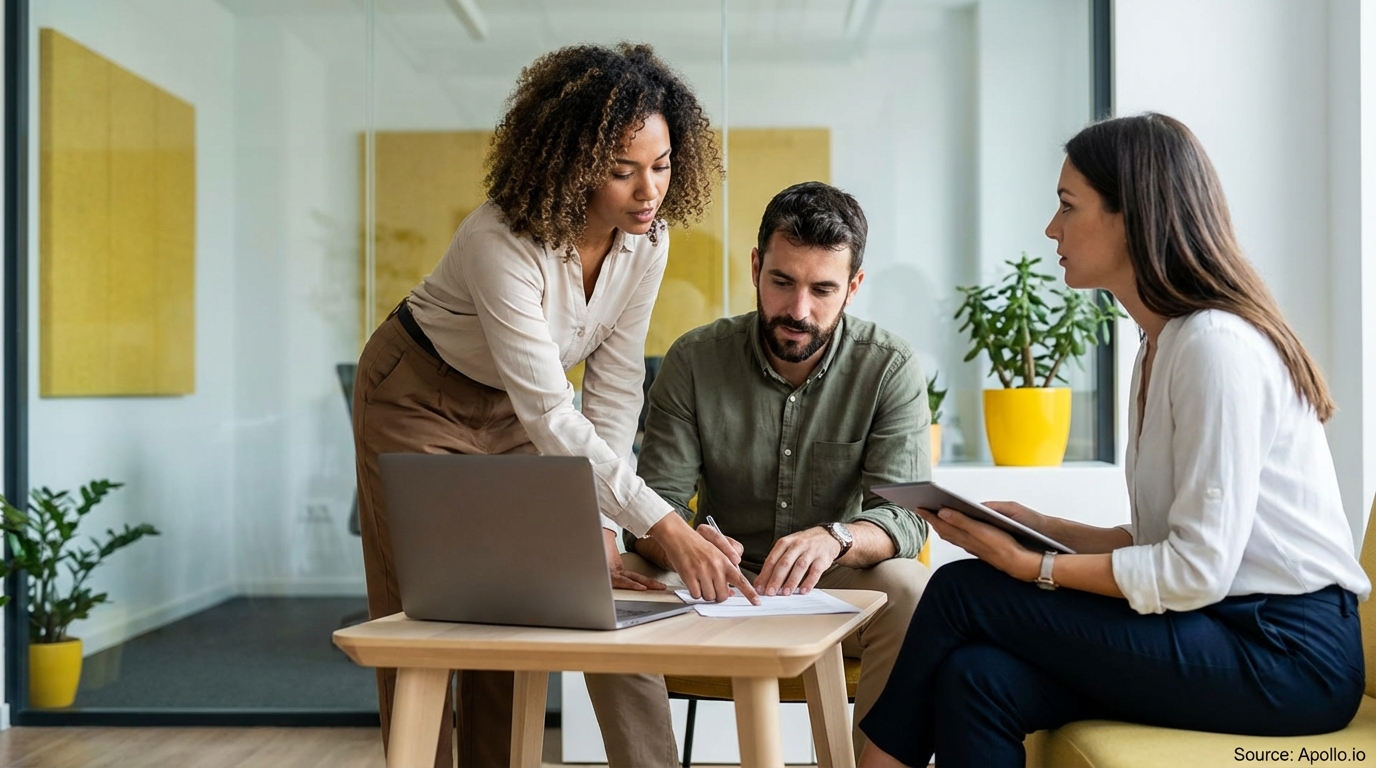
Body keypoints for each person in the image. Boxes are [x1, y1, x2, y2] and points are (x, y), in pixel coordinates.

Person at [857, 113, 1372, 768]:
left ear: (1133, 216)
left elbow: (1196, 570)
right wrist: (1041, 527)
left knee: (962, 591)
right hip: (1219, 626)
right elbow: (1167, 544)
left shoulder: (1216, 347)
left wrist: (1033, 567)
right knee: (977, 677)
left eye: (1067, 206)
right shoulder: (1161, 347)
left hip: (1289, 657)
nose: (1051, 229)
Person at [352, 43, 759, 768]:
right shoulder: (499, 240)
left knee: (517, 609)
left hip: (518, 412)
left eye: (662, 165)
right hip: (417, 395)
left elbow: (612, 385)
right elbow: (552, 411)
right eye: (621, 170)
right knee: (424, 615)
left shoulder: (648, 242)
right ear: (572, 163)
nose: (649, 192)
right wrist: (663, 528)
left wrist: (602, 522)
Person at [625, 181, 933, 759]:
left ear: (854, 287)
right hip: (710, 586)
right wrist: (686, 542)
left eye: (823, 290)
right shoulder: (693, 360)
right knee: (610, 583)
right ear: (756, 267)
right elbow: (651, 505)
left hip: (834, 586)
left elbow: (907, 519)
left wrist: (837, 537)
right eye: (782, 282)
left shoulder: (889, 367)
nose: (798, 310)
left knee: (913, 589)